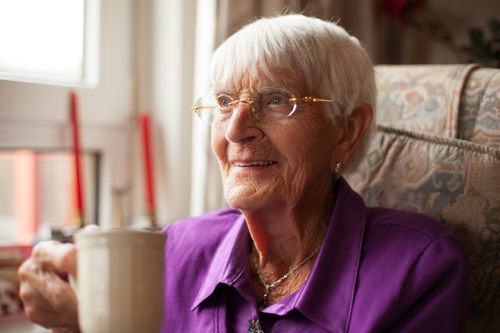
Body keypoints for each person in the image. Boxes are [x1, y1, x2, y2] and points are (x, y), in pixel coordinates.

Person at [18, 14, 468, 332]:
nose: (235, 129)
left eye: (276, 100)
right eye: (224, 102)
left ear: (347, 131)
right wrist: (75, 319)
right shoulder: (176, 248)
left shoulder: (417, 265)